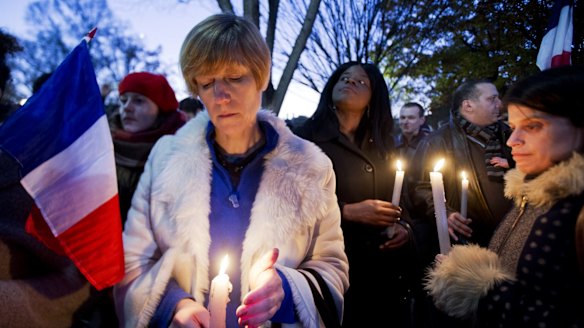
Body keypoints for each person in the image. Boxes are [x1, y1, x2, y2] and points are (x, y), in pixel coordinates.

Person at [114, 14, 349, 328]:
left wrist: (287, 290)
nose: (220, 95)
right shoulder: (165, 158)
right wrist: (174, 305)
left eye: (235, 77)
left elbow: (331, 266)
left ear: (261, 78)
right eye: (207, 82)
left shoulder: (311, 167)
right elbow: (133, 260)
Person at [425, 65, 584, 327]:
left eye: (533, 126)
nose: (512, 141)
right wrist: (472, 268)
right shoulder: (532, 196)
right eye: (513, 126)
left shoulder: (573, 211)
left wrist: (485, 293)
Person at [294, 61, 416, 327]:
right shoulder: (303, 139)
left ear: (374, 98)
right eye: (344, 78)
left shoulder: (383, 146)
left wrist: (405, 227)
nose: (350, 82)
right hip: (327, 266)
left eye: (361, 82)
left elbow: (402, 198)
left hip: (379, 273)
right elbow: (290, 198)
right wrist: (346, 210)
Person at [408, 79, 514, 328]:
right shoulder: (438, 141)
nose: (500, 104)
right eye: (492, 98)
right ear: (468, 105)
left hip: (510, 244)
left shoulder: (509, 136)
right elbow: (420, 187)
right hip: (468, 247)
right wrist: (444, 211)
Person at [109, 71, 187, 225]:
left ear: (161, 110)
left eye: (139, 101)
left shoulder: (182, 154)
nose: (127, 108)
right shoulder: (103, 147)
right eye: (123, 101)